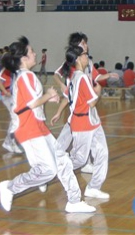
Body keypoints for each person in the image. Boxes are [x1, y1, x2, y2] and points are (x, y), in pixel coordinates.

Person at [0, 36, 95, 214]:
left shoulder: (26, 76)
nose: (35, 54)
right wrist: (48, 95)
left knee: (63, 161)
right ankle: (10, 187)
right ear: (24, 58)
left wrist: (48, 98)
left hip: (38, 126)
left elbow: (31, 102)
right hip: (28, 129)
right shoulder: (25, 76)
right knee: (49, 171)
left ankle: (74, 201)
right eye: (32, 51)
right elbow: (31, 104)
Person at [58, 45, 110, 200]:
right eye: (85, 54)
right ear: (78, 58)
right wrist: (98, 91)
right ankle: (53, 169)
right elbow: (92, 102)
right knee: (79, 159)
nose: (88, 57)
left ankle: (94, 187)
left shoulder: (77, 76)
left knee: (102, 153)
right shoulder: (81, 77)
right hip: (82, 122)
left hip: (92, 122)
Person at [0, 66, 24, 154]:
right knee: (15, 119)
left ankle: (8, 142)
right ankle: (11, 142)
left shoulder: (20, 69)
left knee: (16, 119)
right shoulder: (7, 68)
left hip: (16, 96)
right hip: (8, 96)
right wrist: (4, 91)